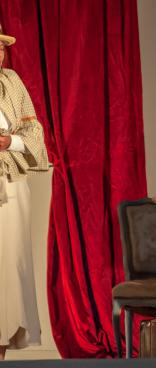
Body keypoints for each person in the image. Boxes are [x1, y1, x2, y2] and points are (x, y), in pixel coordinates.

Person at [0, 28, 48, 359]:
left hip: (12, 181)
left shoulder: (12, 81)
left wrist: (11, 142)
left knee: (11, 264)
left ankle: (2, 345)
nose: (0, 55)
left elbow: (33, 129)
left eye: (2, 49)